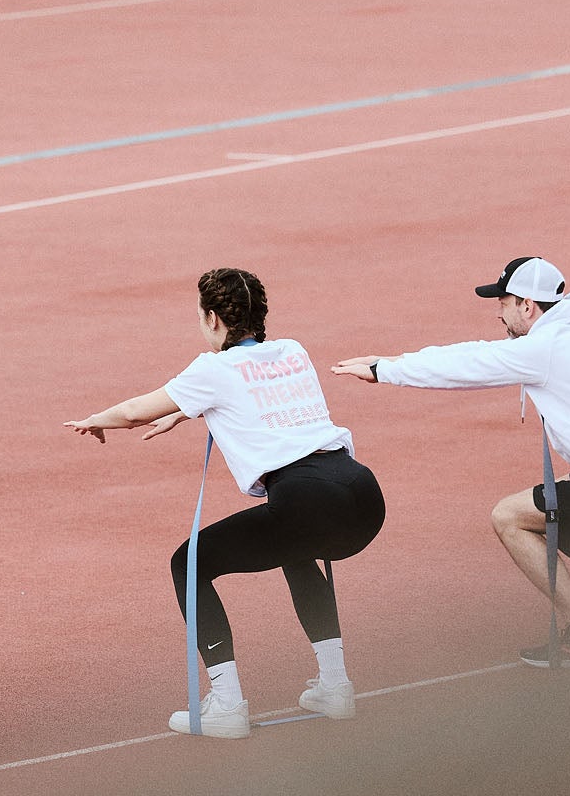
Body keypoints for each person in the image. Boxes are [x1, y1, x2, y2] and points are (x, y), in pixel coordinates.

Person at [333, 257, 570, 668]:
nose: (498, 313)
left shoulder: (545, 347)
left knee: (509, 516)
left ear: (527, 306)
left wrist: (384, 369)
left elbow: (468, 364)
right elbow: (477, 353)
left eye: (503, 302)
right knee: (561, 501)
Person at [67, 268, 386, 735]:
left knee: (189, 563)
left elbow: (135, 412)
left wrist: (96, 419)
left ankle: (228, 705)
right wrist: (185, 412)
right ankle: (335, 687)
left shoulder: (211, 368)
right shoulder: (293, 350)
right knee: (296, 553)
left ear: (213, 319)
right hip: (362, 495)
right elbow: (255, 393)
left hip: (306, 499)